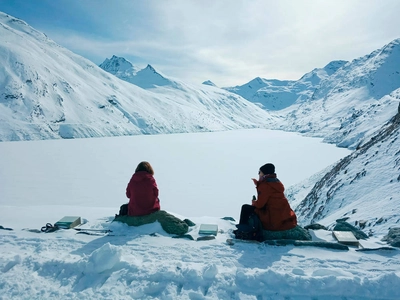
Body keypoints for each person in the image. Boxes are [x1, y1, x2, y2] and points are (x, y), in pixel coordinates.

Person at [239, 163, 297, 231]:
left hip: (271, 218)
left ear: (264, 173)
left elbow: (260, 205)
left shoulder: (264, 186)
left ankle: (242, 231)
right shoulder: (276, 183)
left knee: (245, 208)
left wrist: (254, 202)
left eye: (259, 172)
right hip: (281, 215)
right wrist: (258, 184)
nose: (258, 174)